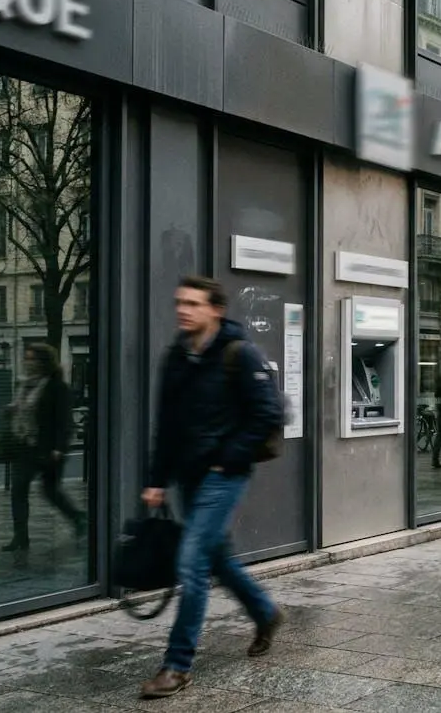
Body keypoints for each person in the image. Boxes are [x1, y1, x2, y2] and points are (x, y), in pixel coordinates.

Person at [139, 276, 286, 699]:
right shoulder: (176, 357)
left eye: (193, 303)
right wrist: (156, 479)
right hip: (188, 476)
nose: (183, 310)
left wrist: (230, 457)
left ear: (216, 310)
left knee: (191, 563)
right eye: (180, 302)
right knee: (216, 557)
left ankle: (177, 666)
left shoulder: (240, 355)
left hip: (224, 475)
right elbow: (165, 426)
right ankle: (265, 612)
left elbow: (267, 413)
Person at [3, 344, 86, 553]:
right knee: (18, 490)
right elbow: (20, 410)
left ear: (44, 362)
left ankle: (78, 518)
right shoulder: (22, 385)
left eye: (33, 359)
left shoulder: (58, 387)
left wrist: (59, 447)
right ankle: (20, 537)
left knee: (50, 491)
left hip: (47, 447)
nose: (28, 363)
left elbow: (64, 421)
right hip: (24, 444)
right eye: (27, 358)